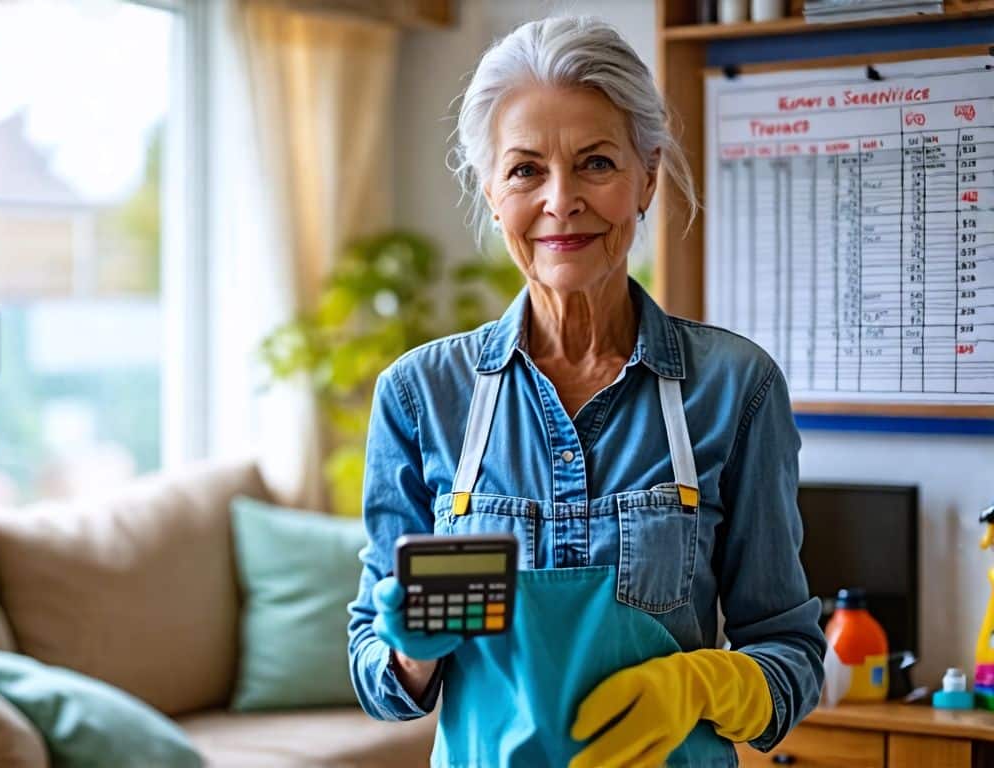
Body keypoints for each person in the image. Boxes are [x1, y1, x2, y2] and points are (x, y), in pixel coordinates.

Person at [346, 15, 825, 768]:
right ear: (492, 191)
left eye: (596, 163)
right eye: (525, 169)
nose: (560, 200)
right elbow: (378, 681)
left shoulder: (737, 388)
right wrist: (410, 652)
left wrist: (704, 683)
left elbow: (792, 657)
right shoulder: (420, 395)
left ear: (647, 177)